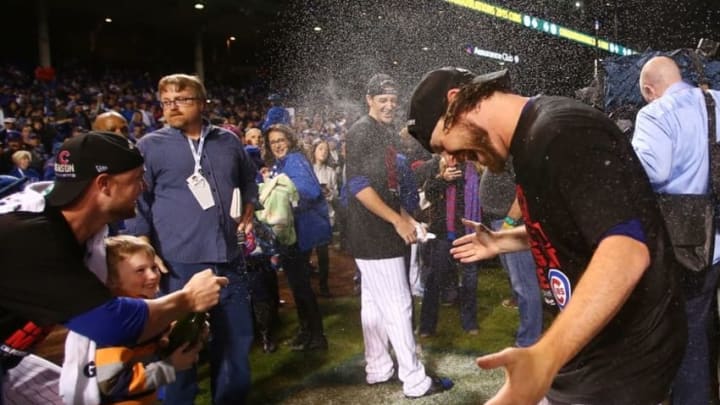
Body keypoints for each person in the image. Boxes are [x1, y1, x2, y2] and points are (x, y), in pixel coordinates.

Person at [406, 66, 686, 404]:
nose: (450, 158)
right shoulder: (530, 138)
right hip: (587, 352)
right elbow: (573, 227)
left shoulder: (562, 131)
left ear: (457, 102)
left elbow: (625, 252)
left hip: (620, 365)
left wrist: (544, 357)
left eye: (443, 145)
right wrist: (503, 242)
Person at [0, 131, 226, 403]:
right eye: (135, 179)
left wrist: (165, 323)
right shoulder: (33, 237)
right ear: (104, 184)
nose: (143, 187)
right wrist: (187, 299)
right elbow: (112, 325)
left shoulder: (76, 231)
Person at [125, 74, 258, 405]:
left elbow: (247, 181)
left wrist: (249, 207)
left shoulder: (228, 141)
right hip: (177, 263)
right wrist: (143, 247)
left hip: (228, 258)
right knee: (179, 345)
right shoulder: (149, 147)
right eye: (166, 100)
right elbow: (137, 204)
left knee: (235, 342)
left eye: (180, 99)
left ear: (201, 102)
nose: (171, 106)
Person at [345, 73, 453, 398]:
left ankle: (378, 367)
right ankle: (415, 380)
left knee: (375, 305)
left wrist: (407, 218)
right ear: (369, 100)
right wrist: (397, 221)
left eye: (393, 99)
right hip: (375, 234)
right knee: (399, 304)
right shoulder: (362, 131)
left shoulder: (382, 132)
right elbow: (358, 186)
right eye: (383, 99)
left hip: (372, 231)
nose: (389, 104)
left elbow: (388, 187)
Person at [631, 55, 720, 405]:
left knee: (690, 334)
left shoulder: (656, 113)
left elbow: (653, 173)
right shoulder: (716, 98)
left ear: (650, 90)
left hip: (689, 246)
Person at [61, 235, 204, 405]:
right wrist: (170, 367)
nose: (152, 276)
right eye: (140, 270)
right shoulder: (114, 325)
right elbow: (112, 384)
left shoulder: (142, 311)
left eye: (153, 267)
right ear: (112, 280)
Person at [262, 124, 330, 351]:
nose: (278, 145)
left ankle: (317, 336)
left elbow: (310, 191)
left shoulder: (294, 160)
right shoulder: (283, 162)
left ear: (290, 140)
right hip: (293, 233)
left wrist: (278, 189)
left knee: (300, 286)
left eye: (281, 140)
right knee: (297, 284)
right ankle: (306, 331)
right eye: (273, 142)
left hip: (301, 232)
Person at [413, 153, 482, 336]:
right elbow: (429, 194)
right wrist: (442, 179)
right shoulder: (436, 163)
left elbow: (478, 198)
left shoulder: (472, 165)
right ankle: (427, 325)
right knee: (434, 277)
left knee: (469, 278)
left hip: (467, 232)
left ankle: (470, 322)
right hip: (443, 232)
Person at [479, 162, 543, 347]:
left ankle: (529, 341)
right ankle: (529, 332)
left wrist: (508, 222)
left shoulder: (511, 154)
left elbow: (525, 191)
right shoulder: (502, 155)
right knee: (519, 283)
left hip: (511, 224)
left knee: (524, 284)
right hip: (501, 223)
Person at [310, 138, 338, 297]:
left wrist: (329, 194)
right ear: (314, 151)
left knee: (323, 254)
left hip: (324, 216)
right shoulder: (308, 170)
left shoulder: (331, 172)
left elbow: (335, 193)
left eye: (326, 150)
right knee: (306, 252)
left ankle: (324, 285)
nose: (324, 152)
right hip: (309, 216)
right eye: (320, 149)